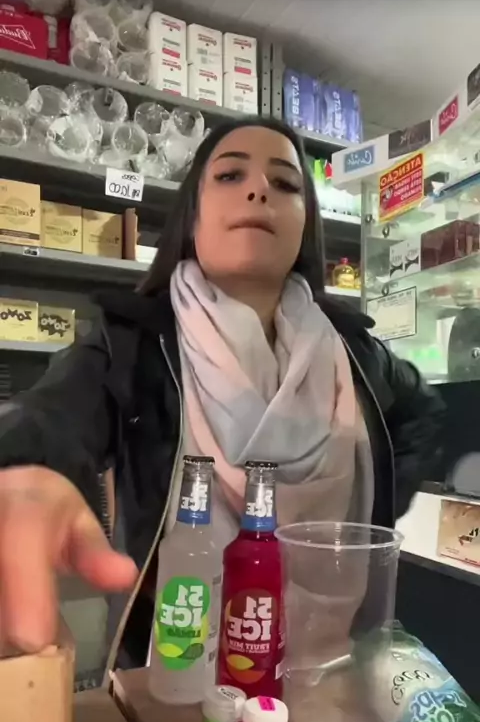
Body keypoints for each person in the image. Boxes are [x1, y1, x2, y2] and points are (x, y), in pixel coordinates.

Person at [0, 117, 443, 676]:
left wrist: (364, 526)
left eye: (285, 183)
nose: (258, 189)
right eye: (231, 175)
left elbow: (422, 416)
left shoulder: (354, 351)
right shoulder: (135, 341)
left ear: (305, 224)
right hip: (173, 669)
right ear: (193, 215)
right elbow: (52, 416)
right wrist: (24, 470)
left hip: (328, 667)